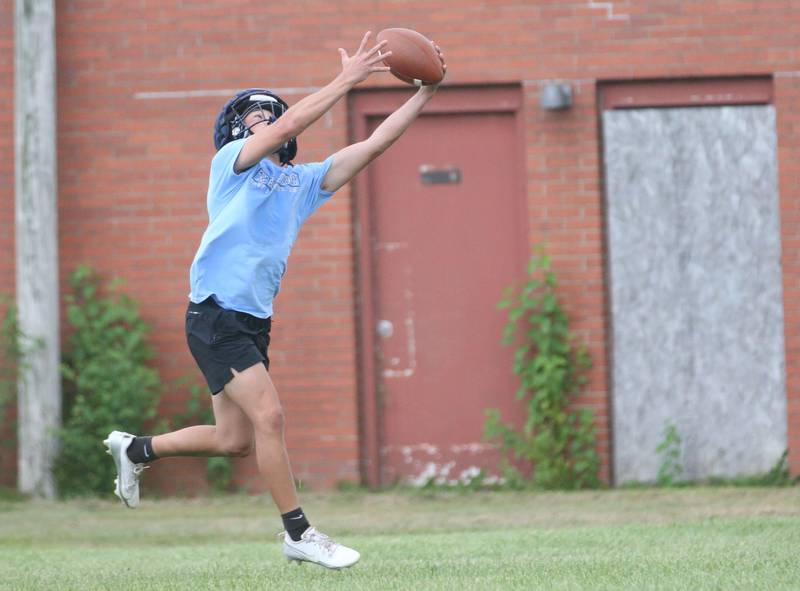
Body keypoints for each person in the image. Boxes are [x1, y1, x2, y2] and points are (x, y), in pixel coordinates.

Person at [103, 31, 446, 570]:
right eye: (254, 117)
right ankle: (299, 533)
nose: (267, 121)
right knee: (271, 415)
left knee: (234, 439)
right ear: (238, 131)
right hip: (215, 312)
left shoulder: (302, 182)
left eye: (270, 115)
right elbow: (291, 123)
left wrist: (423, 93)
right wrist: (347, 78)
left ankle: (136, 449)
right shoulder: (231, 167)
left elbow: (374, 144)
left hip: (252, 320)